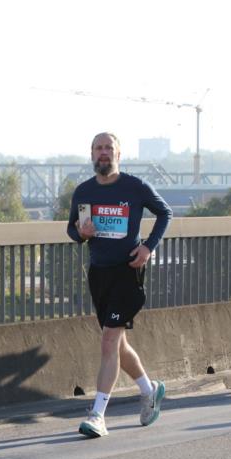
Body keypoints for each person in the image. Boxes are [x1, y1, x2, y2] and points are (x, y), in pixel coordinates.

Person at [66, 132, 172, 438]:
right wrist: (81, 233)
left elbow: (165, 212)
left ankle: (98, 415)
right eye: (98, 148)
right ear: (91, 154)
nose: (103, 153)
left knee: (109, 341)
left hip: (127, 271)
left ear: (118, 154)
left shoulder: (135, 187)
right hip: (99, 274)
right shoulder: (83, 191)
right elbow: (72, 230)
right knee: (118, 343)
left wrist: (148, 247)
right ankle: (149, 389)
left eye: (108, 148)